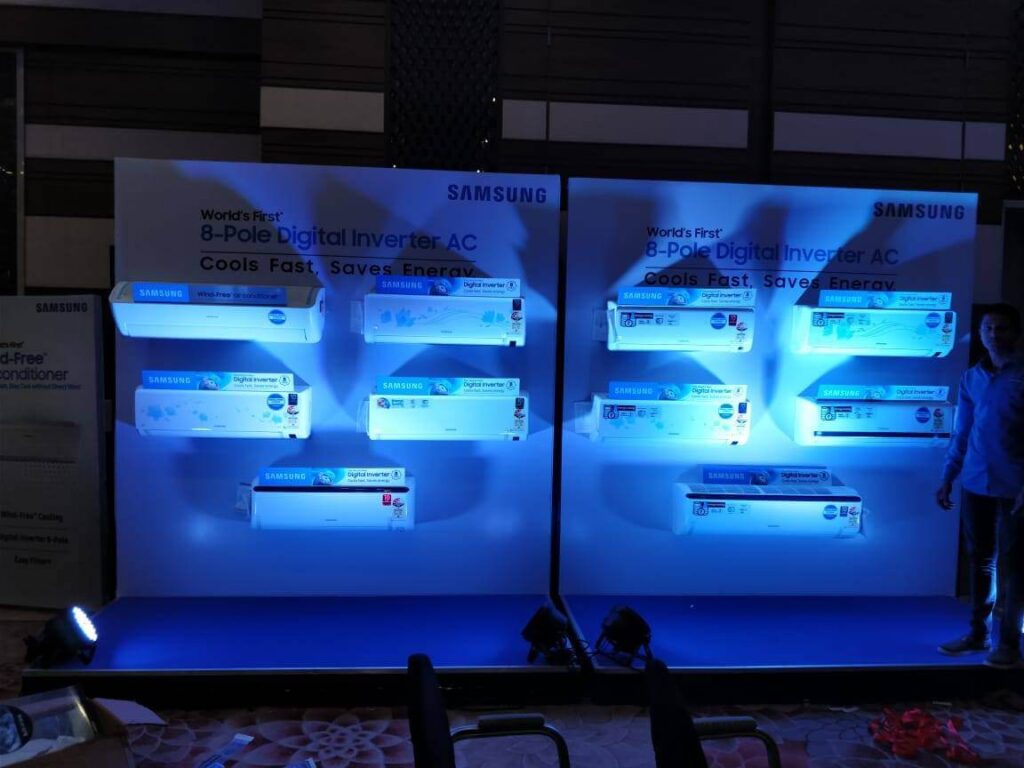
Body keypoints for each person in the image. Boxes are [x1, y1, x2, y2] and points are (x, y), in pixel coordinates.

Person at [936, 302, 1024, 668]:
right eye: (988, 328)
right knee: (980, 561)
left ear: (1015, 332)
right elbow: (962, 432)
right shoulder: (971, 377)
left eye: (1002, 328)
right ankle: (977, 634)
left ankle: (1009, 645)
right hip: (975, 482)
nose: (994, 334)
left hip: (1015, 487)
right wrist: (948, 476)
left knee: (1014, 567)